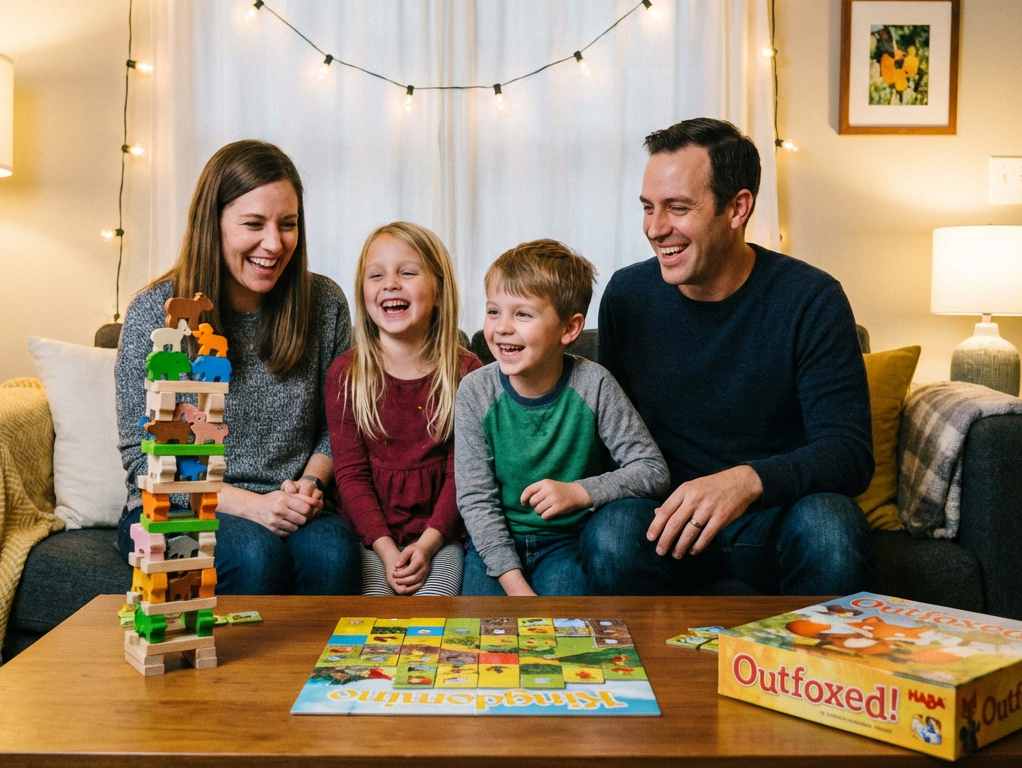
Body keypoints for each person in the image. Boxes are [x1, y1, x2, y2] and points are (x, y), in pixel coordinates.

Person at [585, 117, 875, 596]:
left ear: (737, 208)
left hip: (770, 517)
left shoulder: (811, 298)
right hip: (664, 519)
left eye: (677, 208)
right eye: (648, 208)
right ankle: (644, 672)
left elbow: (848, 452)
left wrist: (745, 481)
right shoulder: (627, 295)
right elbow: (607, 437)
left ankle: (809, 673)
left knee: (832, 530)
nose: (656, 229)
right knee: (612, 534)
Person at [115, 139, 361, 595]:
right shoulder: (155, 313)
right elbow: (143, 458)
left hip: (290, 501)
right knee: (253, 552)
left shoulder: (324, 304)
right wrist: (251, 507)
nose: (274, 243)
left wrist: (307, 486)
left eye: (288, 225)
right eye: (253, 224)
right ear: (215, 225)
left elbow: (336, 425)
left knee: (332, 552)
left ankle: (322, 670)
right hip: (175, 503)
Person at [455, 239, 670, 596]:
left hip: (566, 544)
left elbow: (652, 469)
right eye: (494, 311)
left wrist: (581, 492)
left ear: (569, 329)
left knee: (564, 636)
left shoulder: (594, 384)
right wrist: (514, 583)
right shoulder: (476, 391)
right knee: (479, 643)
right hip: (493, 546)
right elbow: (476, 499)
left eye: (522, 314)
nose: (502, 327)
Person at [326, 222, 482, 596]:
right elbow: (350, 475)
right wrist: (383, 548)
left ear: (439, 292)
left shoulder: (467, 373)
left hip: (440, 535)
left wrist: (427, 545)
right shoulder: (346, 374)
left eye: (407, 273)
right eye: (376, 275)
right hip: (368, 536)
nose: (390, 283)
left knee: (434, 615)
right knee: (373, 620)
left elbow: (461, 474)